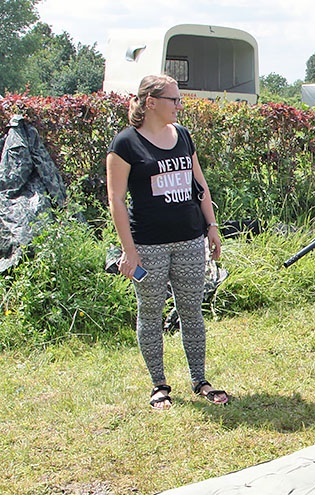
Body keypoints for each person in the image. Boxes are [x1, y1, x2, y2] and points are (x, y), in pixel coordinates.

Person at [107, 74, 228, 409]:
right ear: (151, 103)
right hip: (148, 246)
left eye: (179, 99)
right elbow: (116, 200)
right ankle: (159, 385)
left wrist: (212, 226)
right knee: (150, 315)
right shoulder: (126, 144)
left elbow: (199, 184)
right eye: (173, 99)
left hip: (189, 240)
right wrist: (130, 252)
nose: (179, 105)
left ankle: (200, 380)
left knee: (192, 312)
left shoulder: (183, 136)